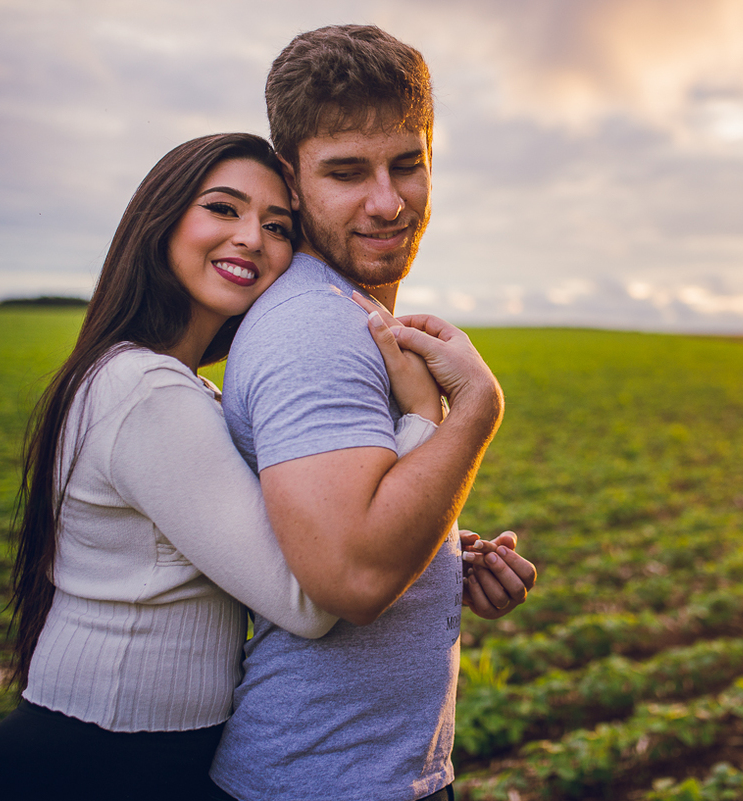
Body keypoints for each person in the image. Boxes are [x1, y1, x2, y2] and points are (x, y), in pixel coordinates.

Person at [0, 132, 506, 800]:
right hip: (93, 765)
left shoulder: (173, 390)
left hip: (137, 753)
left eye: (277, 225)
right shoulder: (146, 393)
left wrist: (435, 550)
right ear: (160, 221)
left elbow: (280, 542)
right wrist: (424, 416)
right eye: (223, 208)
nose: (252, 238)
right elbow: (315, 594)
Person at [208, 25, 537, 801]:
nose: (388, 202)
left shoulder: (345, 315)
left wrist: (445, 557)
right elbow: (352, 574)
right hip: (321, 780)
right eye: (348, 172)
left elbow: (341, 518)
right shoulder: (312, 329)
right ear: (290, 179)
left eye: (408, 164)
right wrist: (476, 412)